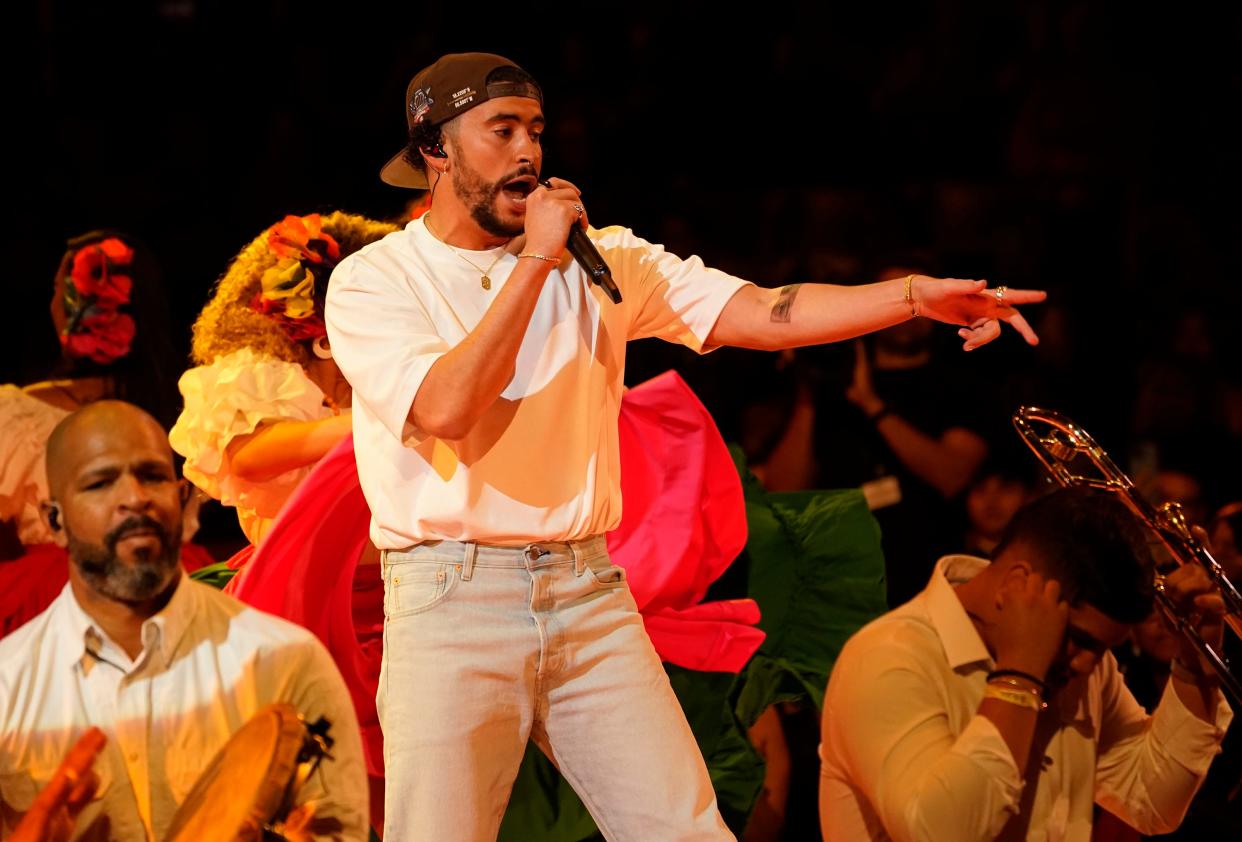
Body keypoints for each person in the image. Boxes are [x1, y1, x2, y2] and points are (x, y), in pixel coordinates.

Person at [325, 52, 1045, 841]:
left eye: (536, 130)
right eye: (502, 130)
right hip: (450, 599)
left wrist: (914, 297)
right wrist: (538, 258)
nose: (529, 152)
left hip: (585, 587)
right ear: (435, 149)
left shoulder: (605, 260)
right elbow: (448, 407)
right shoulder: (376, 281)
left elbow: (767, 310)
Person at [0, 401, 368, 841]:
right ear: (54, 520)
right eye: (100, 483)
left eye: (152, 476)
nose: (134, 498)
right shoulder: (8, 686)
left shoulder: (284, 660)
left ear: (180, 498)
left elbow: (338, 827)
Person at [819, 487, 1232, 841]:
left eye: (1103, 649)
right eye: (1081, 639)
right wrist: (1020, 672)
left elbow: (1150, 800)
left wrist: (1195, 665)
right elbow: (940, 832)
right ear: (1019, 584)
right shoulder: (888, 657)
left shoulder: (1082, 664)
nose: (1088, 666)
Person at [0, 230, 205, 637]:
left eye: (59, 290)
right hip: (169, 580)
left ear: (71, 307)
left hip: (44, 598)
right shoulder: (185, 406)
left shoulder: (12, 414)